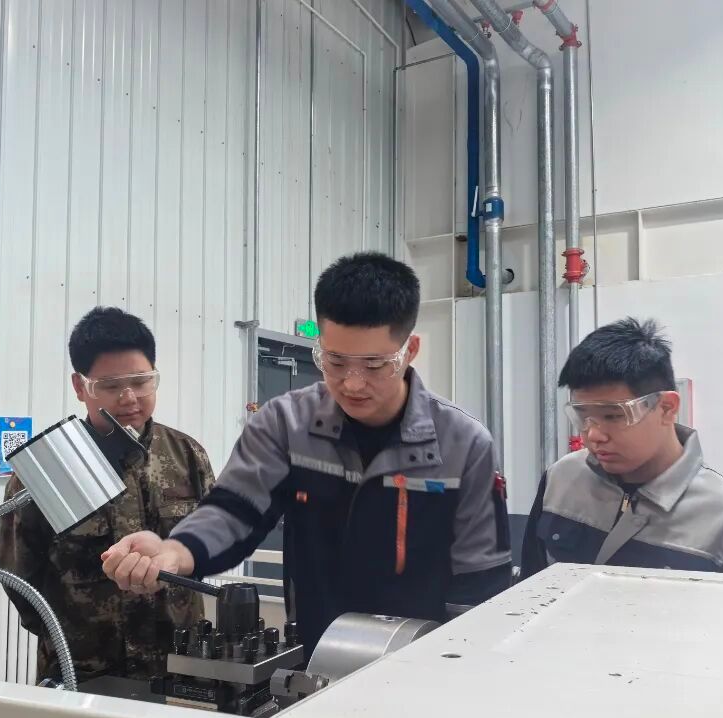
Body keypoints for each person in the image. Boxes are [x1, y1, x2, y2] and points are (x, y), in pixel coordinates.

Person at [101, 252, 513, 656]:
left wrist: (456, 667)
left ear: (410, 350)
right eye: (334, 361)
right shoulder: (286, 425)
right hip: (317, 658)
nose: (352, 384)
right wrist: (175, 552)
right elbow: (233, 512)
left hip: (424, 663)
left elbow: (480, 584)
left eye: (375, 365)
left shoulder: (463, 445)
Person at [0, 307, 214, 683]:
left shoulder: (187, 456)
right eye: (110, 387)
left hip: (179, 667)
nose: (129, 398)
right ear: (80, 386)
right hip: (83, 672)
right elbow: (19, 576)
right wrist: (70, 638)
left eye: (141, 382)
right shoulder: (49, 470)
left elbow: (211, 544)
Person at [519, 317, 723, 579]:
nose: (594, 435)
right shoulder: (561, 480)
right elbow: (529, 592)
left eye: (613, 415)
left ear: (667, 408)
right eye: (583, 416)